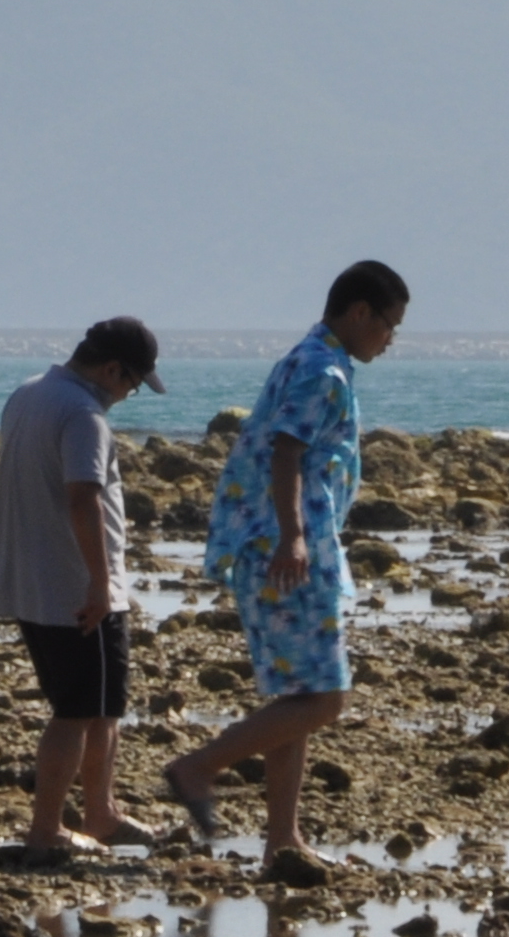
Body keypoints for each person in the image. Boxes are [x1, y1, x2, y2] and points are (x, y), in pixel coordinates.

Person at [171, 261, 408, 868]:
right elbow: (287, 451)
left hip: (276, 538)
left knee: (297, 692)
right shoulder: (322, 369)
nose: (390, 339)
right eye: (389, 325)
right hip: (282, 543)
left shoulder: (316, 360)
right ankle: (198, 768)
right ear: (360, 313)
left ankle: (282, 836)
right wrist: (293, 537)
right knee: (326, 696)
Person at [0, 316, 164, 854]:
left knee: (104, 704)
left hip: (32, 578)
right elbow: (83, 497)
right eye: (131, 385)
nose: (127, 395)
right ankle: (47, 830)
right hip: (76, 586)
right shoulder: (84, 414)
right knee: (76, 712)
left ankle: (101, 812)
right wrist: (98, 582)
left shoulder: (28, 394)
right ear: (112, 369)